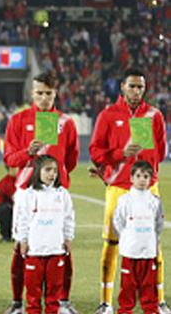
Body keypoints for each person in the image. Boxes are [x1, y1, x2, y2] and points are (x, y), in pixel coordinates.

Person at [89, 69, 168, 314]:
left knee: (153, 243)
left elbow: (161, 151)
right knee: (112, 243)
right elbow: (95, 152)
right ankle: (106, 302)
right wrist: (119, 155)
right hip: (119, 188)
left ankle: (159, 300)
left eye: (140, 87)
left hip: (148, 188)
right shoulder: (108, 115)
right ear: (122, 86)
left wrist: (146, 172)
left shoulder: (154, 115)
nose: (136, 91)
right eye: (132, 86)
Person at [2, 72, 80, 314]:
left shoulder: (65, 122)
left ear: (55, 93)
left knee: (62, 248)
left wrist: (55, 176)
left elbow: (71, 159)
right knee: (21, 247)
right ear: (32, 94)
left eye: (48, 93)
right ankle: (18, 301)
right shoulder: (18, 120)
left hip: (55, 192)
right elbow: (8, 158)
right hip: (26, 190)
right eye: (39, 93)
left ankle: (62, 301)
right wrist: (28, 152)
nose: (44, 98)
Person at [14, 155, 75, 314]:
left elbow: (69, 218)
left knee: (53, 294)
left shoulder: (63, 195)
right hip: (34, 251)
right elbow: (23, 220)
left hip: (56, 251)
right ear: (37, 172)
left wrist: (68, 238)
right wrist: (23, 240)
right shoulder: (29, 195)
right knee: (33, 295)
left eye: (55, 170)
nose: (52, 174)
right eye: (47, 170)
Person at [112, 161, 165, 314]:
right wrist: (127, 238)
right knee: (128, 285)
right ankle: (125, 310)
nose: (142, 179)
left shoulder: (155, 201)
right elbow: (118, 221)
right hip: (130, 251)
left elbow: (159, 224)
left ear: (151, 180)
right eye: (139, 176)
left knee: (149, 284)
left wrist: (151, 238)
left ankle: (150, 309)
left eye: (146, 176)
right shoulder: (124, 200)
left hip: (148, 251)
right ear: (132, 178)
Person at [0, 165, 19, 242]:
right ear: (11, 168)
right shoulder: (2, 184)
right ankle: (6, 235)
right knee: (3, 209)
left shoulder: (26, 182)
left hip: (23, 214)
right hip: (10, 214)